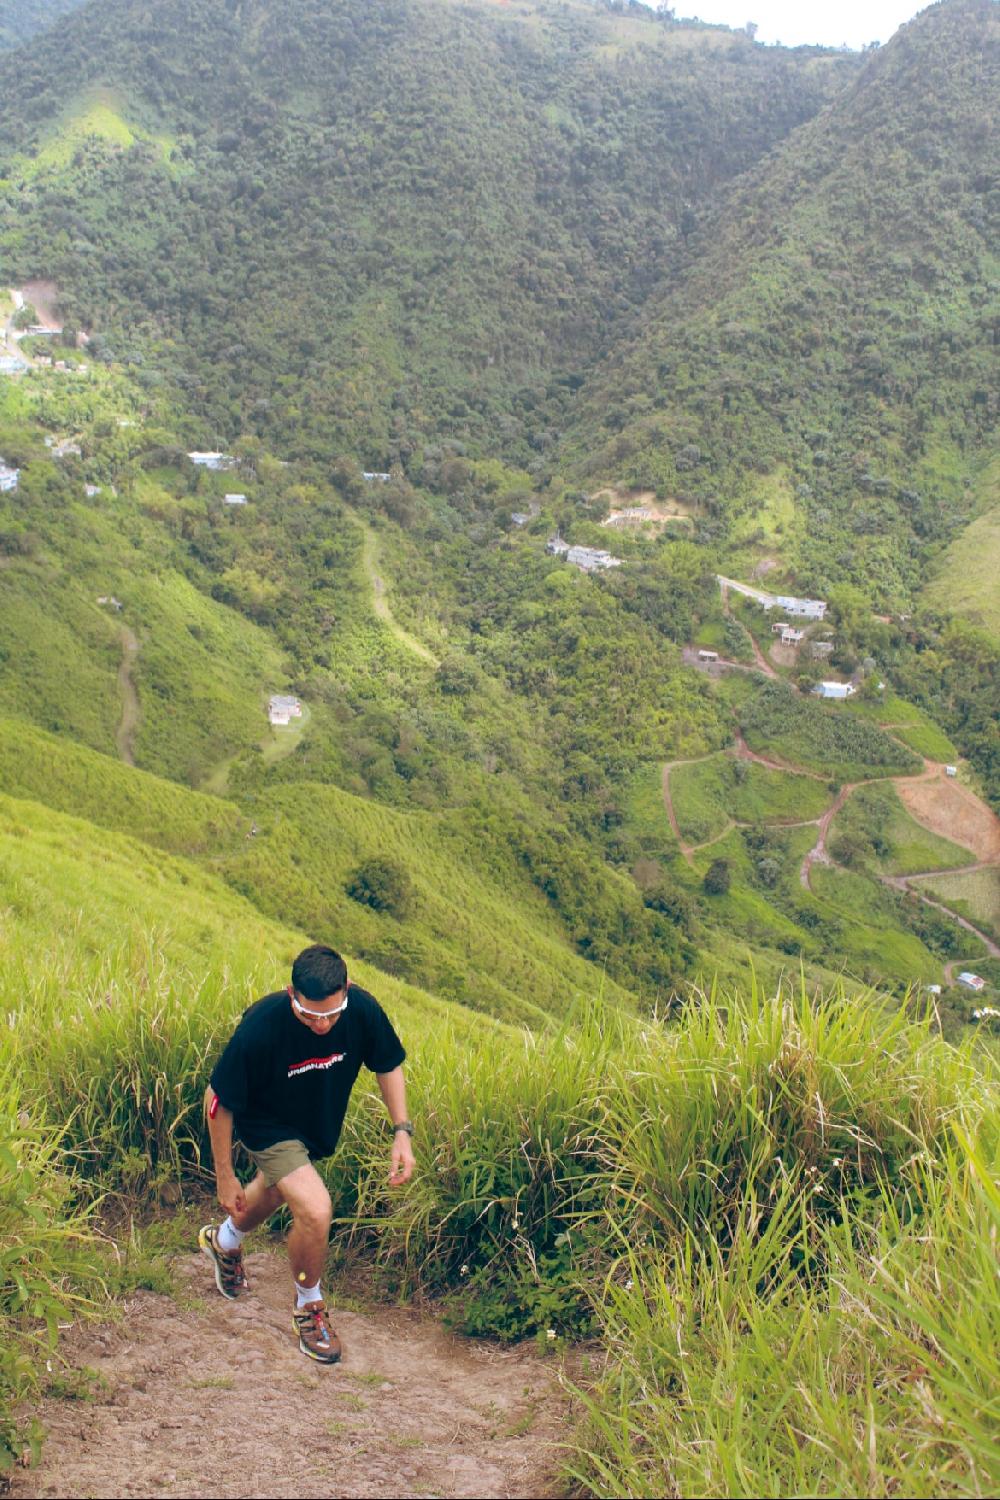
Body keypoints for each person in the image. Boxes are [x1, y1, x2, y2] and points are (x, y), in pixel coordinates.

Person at [199, 944, 414, 1364]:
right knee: (315, 1209)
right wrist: (224, 1175)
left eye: (332, 1014)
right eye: (311, 1015)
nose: (324, 1025)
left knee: (279, 1191)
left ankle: (224, 1242)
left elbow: (387, 1063)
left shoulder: (362, 1009)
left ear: (347, 989)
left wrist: (401, 1131)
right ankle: (309, 1306)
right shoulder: (261, 1026)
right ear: (291, 993)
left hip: (314, 1123)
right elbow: (218, 1099)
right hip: (267, 1124)